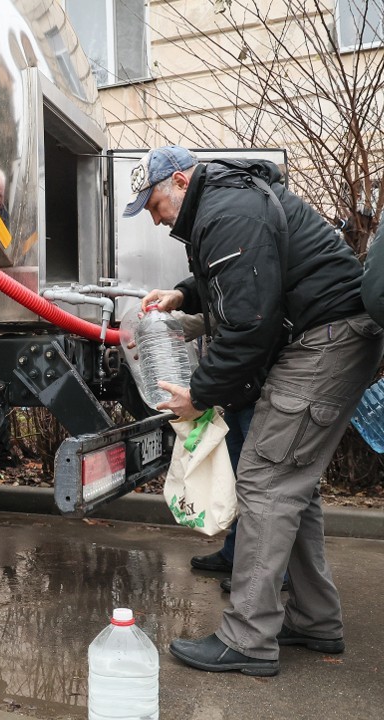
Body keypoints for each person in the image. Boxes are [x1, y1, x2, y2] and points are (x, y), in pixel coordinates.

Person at [125, 145, 384, 676]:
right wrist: (184, 295)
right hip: (335, 335)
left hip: (326, 341)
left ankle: (247, 638)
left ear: (179, 180)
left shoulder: (226, 210)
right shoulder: (226, 202)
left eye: (152, 204)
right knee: (292, 485)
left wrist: (198, 394)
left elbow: (247, 324)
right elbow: (245, 279)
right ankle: (315, 620)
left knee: (265, 479)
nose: (152, 218)